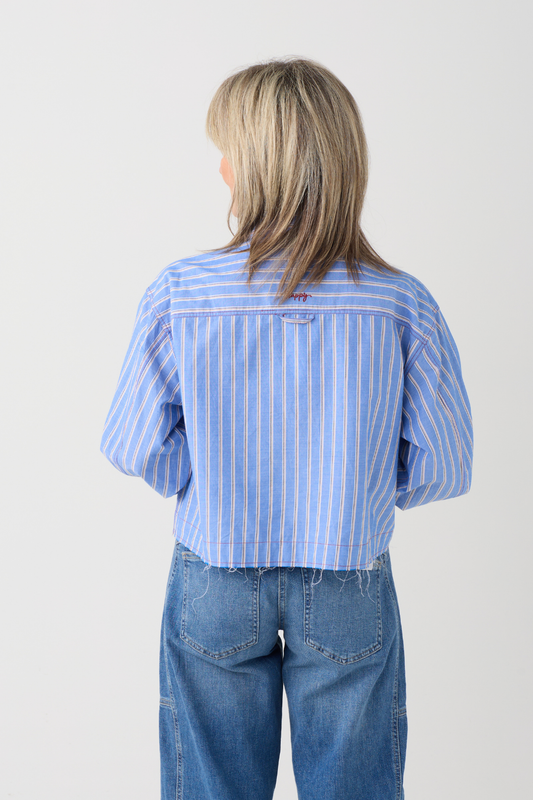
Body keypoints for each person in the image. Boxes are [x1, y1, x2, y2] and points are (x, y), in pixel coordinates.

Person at [100, 56, 473, 800]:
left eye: (227, 153)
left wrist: (200, 477)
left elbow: (132, 443)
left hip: (214, 574)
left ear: (257, 167)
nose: (219, 169)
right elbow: (444, 463)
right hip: (347, 577)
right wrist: (365, 486)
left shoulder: (183, 291)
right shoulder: (400, 303)